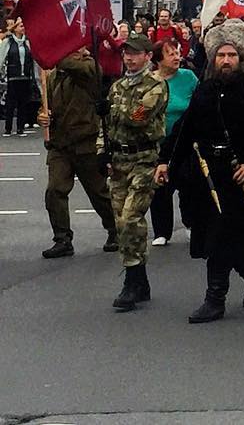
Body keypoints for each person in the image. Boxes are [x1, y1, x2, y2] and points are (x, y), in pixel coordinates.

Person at [156, 21, 244, 323]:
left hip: (241, 176)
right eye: (220, 56)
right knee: (218, 233)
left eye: (231, 55)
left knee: (223, 234)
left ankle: (215, 297)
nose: (225, 61)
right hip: (208, 175)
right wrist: (166, 160)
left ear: (241, 58)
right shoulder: (205, 90)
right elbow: (185, 129)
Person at [100, 34, 169, 310]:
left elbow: (139, 117)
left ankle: (131, 280)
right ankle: (139, 279)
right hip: (118, 160)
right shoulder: (117, 86)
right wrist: (101, 150)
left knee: (131, 217)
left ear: (147, 56)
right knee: (121, 223)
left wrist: (111, 108)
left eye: (135, 53)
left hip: (143, 159)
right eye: (126, 53)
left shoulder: (156, 85)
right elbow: (105, 125)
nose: (128, 58)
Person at [38, 48, 118, 258]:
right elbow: (47, 106)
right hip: (60, 144)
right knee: (55, 190)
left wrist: (50, 51)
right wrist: (43, 117)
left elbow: (83, 70)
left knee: (99, 192)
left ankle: (115, 229)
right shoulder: (54, 75)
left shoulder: (89, 67)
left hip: (85, 141)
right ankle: (62, 238)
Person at [149, 40, 199, 247]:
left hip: (184, 142)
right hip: (158, 142)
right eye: (171, 54)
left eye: (178, 53)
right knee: (160, 187)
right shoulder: (149, 81)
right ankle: (161, 232)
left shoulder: (188, 77)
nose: (177, 57)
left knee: (188, 185)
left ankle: (191, 224)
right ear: (158, 59)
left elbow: (199, 103)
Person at [1, 17, 38, 136]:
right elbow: (1, 57)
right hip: (12, 77)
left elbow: (33, 59)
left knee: (23, 102)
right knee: (10, 103)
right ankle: (8, 128)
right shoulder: (9, 41)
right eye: (21, 26)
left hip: (25, 77)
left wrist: (34, 75)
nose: (23, 28)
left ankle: (20, 128)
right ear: (15, 28)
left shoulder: (27, 42)